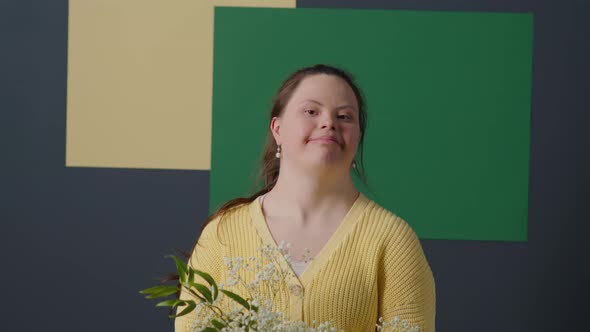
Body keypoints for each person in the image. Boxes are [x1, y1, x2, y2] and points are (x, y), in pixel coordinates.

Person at [175, 64, 436, 331]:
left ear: (357, 137)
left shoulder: (392, 240)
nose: (329, 123)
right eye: (311, 111)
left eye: (345, 116)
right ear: (277, 129)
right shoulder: (222, 232)